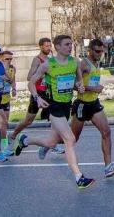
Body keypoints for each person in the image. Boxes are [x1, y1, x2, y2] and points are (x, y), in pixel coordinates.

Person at [15, 35, 93, 188]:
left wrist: (80, 86)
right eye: (66, 44)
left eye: (71, 44)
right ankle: (79, 177)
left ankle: (24, 140)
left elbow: (78, 82)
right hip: (54, 106)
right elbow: (31, 82)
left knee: (51, 142)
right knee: (69, 140)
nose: (70, 47)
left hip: (66, 106)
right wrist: (37, 98)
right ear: (57, 47)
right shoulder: (48, 65)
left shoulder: (74, 62)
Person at [70, 39, 114, 178]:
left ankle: (108, 167)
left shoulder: (96, 62)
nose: (100, 54)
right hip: (82, 105)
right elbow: (73, 85)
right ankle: (48, 143)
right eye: (97, 51)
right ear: (90, 50)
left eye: (102, 51)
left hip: (94, 103)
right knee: (72, 138)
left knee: (106, 132)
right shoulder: (84, 64)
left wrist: (93, 90)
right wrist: (92, 88)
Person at [9, 38, 61, 153]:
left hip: (48, 93)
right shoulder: (37, 60)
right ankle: (13, 135)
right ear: (41, 47)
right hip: (37, 93)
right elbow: (29, 77)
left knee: (55, 118)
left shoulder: (50, 60)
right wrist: (42, 74)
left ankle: (52, 144)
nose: (49, 48)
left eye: (49, 46)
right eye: (46, 46)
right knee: (28, 121)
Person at [0, 50, 17, 154]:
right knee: (3, 122)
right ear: (1, 58)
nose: (9, 61)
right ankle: (4, 147)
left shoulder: (12, 68)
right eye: (7, 59)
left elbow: (13, 80)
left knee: (5, 124)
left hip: (6, 98)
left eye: (11, 59)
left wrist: (14, 89)